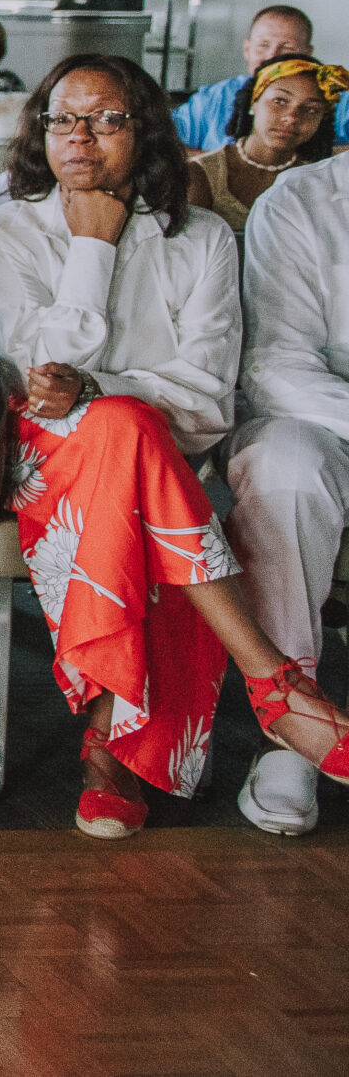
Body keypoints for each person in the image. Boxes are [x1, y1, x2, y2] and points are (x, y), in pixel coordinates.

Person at [0, 53, 349, 840]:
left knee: (128, 432)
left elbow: (206, 399)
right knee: (127, 431)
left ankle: (110, 747)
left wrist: (102, 391)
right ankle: (268, 681)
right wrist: (92, 247)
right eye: (63, 119)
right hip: (35, 461)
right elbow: (34, 372)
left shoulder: (199, 237)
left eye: (106, 119)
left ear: (145, 130)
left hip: (160, 457)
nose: (81, 138)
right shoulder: (9, 228)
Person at [227, 127, 349, 834]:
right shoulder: (302, 202)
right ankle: (294, 728)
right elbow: (276, 363)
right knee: (286, 469)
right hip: (318, 419)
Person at [186, 55, 340, 231]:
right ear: (254, 102)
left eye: (311, 109)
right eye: (280, 101)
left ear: (322, 119)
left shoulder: (322, 180)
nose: (291, 117)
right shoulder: (200, 175)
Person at [172, 5, 349, 150]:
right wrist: (223, 167)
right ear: (247, 49)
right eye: (263, 45)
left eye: (287, 48)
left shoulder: (337, 99)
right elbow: (166, 145)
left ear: (308, 54)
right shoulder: (213, 98)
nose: (272, 56)